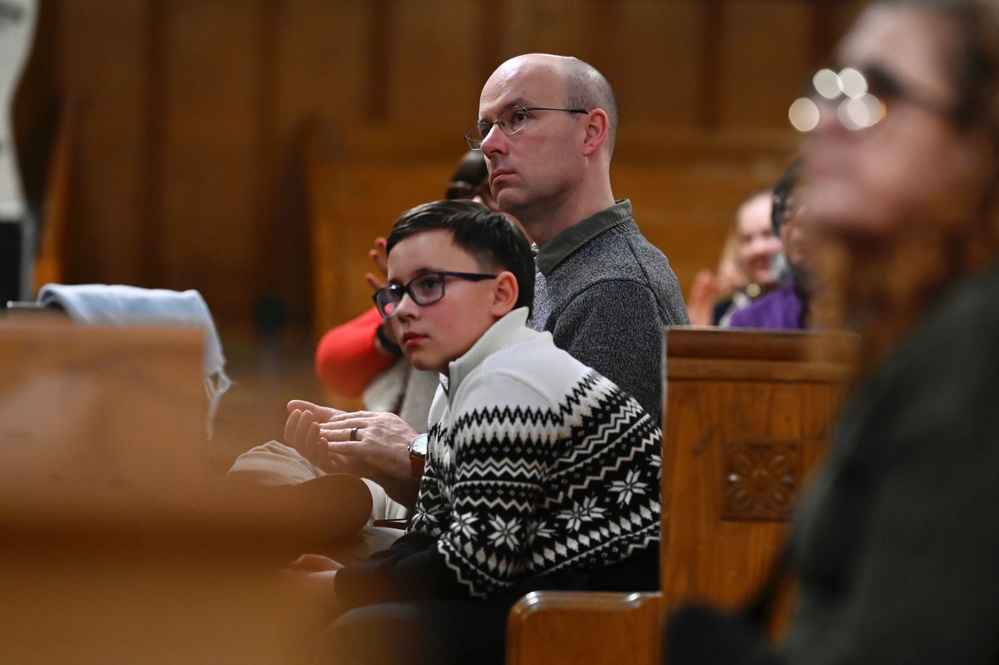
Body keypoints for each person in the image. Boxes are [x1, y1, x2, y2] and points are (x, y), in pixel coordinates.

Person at [667, 1, 999, 663]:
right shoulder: (909, 326)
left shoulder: (977, 337)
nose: (827, 124)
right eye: (828, 90)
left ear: (973, 141)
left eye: (875, 94)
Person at [280, 53, 688, 528]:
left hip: (544, 592)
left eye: (518, 118)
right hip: (473, 546)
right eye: (486, 127)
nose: (490, 145)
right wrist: (385, 458)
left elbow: (577, 503)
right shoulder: (544, 266)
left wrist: (413, 452)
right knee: (276, 475)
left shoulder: (616, 288)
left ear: (590, 132)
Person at [288, 199, 662, 665]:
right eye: (395, 293)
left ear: (501, 294)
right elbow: (435, 527)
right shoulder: (468, 375)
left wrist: (337, 590)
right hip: (543, 589)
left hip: (599, 614)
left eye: (428, 285)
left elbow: (476, 564)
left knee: (365, 634)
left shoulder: (510, 379)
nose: (402, 310)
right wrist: (349, 580)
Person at [728, 159, 819, 330]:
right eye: (788, 215)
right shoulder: (749, 320)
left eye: (810, 211)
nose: (797, 231)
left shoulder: (874, 315)